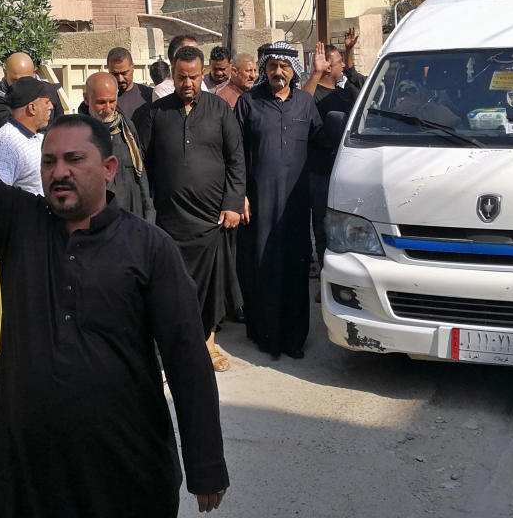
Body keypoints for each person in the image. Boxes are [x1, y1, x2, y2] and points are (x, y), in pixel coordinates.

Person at [0, 0, 228, 517]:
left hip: (126, 470)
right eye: (49, 161)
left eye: (75, 159)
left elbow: (186, 358)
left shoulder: (148, 248)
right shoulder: (20, 226)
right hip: (32, 473)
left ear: (109, 170)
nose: (59, 171)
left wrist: (206, 462)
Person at [133, 46, 246, 372]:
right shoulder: (155, 113)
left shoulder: (220, 109)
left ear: (203, 73)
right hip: (170, 221)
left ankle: (208, 345)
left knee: (210, 287)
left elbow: (237, 159)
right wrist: (148, 212)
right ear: (172, 72)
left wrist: (233, 202)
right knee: (173, 288)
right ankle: (177, 347)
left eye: (194, 77)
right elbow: (142, 166)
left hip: (211, 220)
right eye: (181, 77)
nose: (187, 83)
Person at [235, 41, 322, 360]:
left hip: (296, 206)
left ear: (293, 70)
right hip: (258, 203)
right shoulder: (248, 103)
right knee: (262, 267)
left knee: (296, 268)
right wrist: (239, 195)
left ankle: (294, 339)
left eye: (284, 66)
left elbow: (318, 146)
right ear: (264, 70)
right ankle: (265, 335)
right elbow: (237, 155)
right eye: (272, 66)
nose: (278, 72)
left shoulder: (305, 104)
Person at [302, 42, 357, 265]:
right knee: (323, 228)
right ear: (326, 67)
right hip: (320, 172)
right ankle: (326, 273)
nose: (342, 66)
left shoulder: (345, 95)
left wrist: (350, 52)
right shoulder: (312, 95)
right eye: (338, 62)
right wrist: (315, 74)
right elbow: (301, 104)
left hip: (347, 170)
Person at [82, 71, 156, 222]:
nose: (108, 109)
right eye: (101, 102)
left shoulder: (126, 127)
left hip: (132, 215)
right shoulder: (79, 134)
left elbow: (140, 174)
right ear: (86, 99)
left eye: (112, 101)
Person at [0, 52, 64, 155]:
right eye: (15, 80)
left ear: (34, 73)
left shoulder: (49, 94)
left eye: (26, 80)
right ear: (5, 73)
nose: (20, 86)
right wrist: (3, 151)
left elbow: (61, 129)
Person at [0, 77, 54, 195]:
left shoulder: (36, 136)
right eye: (47, 102)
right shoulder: (6, 144)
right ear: (32, 108)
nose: (51, 107)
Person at [107, 47, 154, 118]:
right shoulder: (103, 99)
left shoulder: (150, 95)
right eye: (115, 74)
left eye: (124, 73)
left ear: (133, 68)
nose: (120, 79)